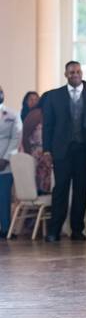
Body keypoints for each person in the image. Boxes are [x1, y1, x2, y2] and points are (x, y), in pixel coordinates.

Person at [41, 61, 86, 242]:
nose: (74, 74)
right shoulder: (54, 96)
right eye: (71, 72)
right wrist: (46, 149)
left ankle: (77, 229)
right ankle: (54, 230)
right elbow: (48, 125)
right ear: (66, 74)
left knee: (81, 190)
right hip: (62, 150)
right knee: (60, 189)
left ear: (82, 73)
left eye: (77, 71)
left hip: (85, 150)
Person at [0, 85, 22, 238]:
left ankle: (6, 229)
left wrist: (5, 158)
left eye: (0, 91)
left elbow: (16, 137)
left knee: (4, 197)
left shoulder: (12, 114)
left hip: (4, 163)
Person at [19, 91, 52, 194]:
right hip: (35, 154)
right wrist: (30, 157)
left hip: (46, 153)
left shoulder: (49, 114)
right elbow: (25, 137)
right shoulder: (35, 114)